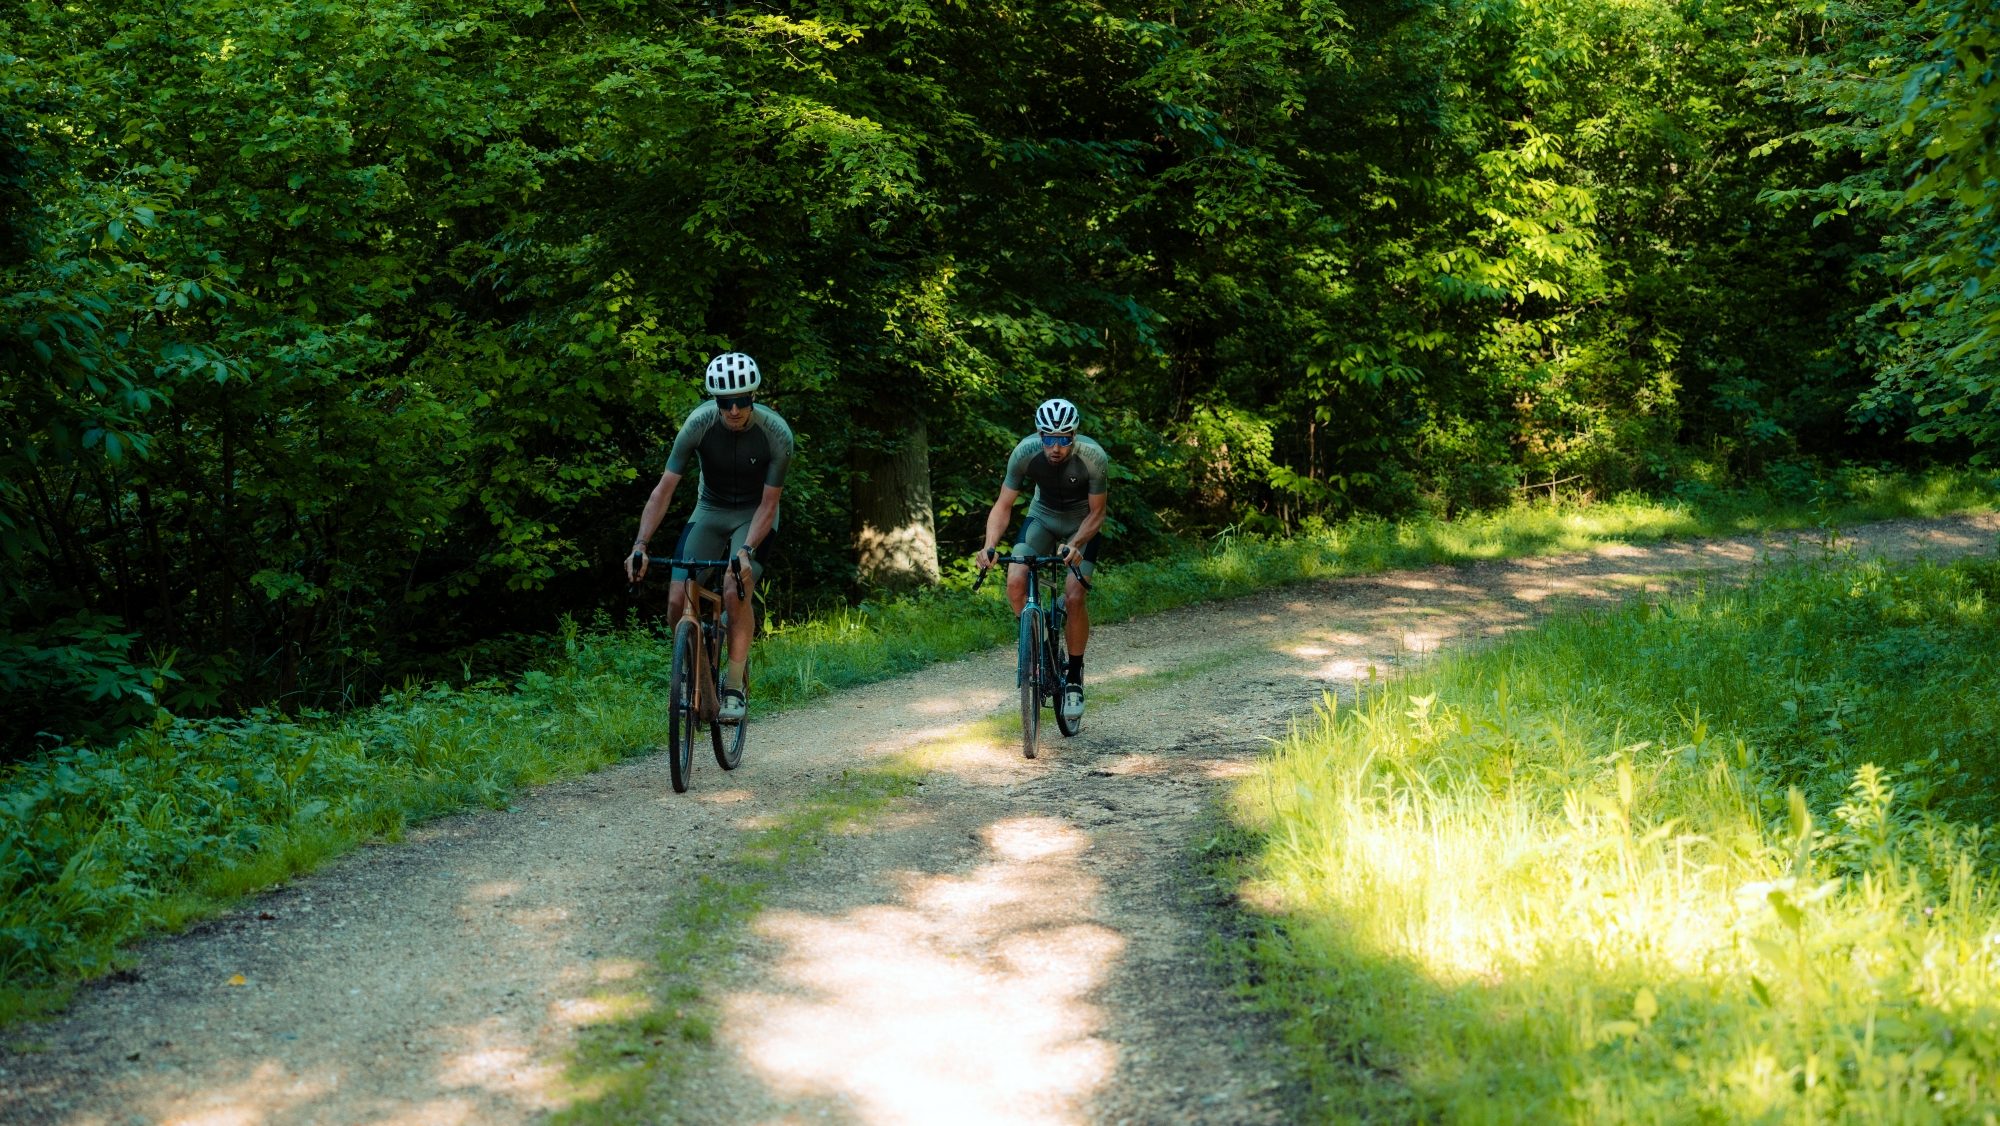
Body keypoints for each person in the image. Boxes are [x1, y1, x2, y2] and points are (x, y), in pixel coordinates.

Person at [624, 352, 793, 723]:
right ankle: (700, 682)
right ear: (715, 402)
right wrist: (640, 545)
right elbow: (663, 491)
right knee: (675, 600)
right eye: (725, 403)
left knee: (735, 588)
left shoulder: (777, 434)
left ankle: (733, 688)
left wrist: (746, 550)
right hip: (710, 510)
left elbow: (769, 504)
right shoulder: (698, 425)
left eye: (742, 401)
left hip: (754, 514)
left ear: (753, 398)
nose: (734, 410)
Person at [974, 397, 1109, 723]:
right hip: (1042, 518)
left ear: (1074, 436)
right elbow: (1003, 505)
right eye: (1049, 438)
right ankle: (1042, 643)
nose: (1056, 447)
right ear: (1039, 435)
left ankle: (1074, 677)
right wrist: (990, 546)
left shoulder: (1093, 458)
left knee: (1075, 597)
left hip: (1081, 524)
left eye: (1063, 439)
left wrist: (1075, 543)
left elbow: (1098, 513)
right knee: (1015, 579)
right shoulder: (1024, 453)